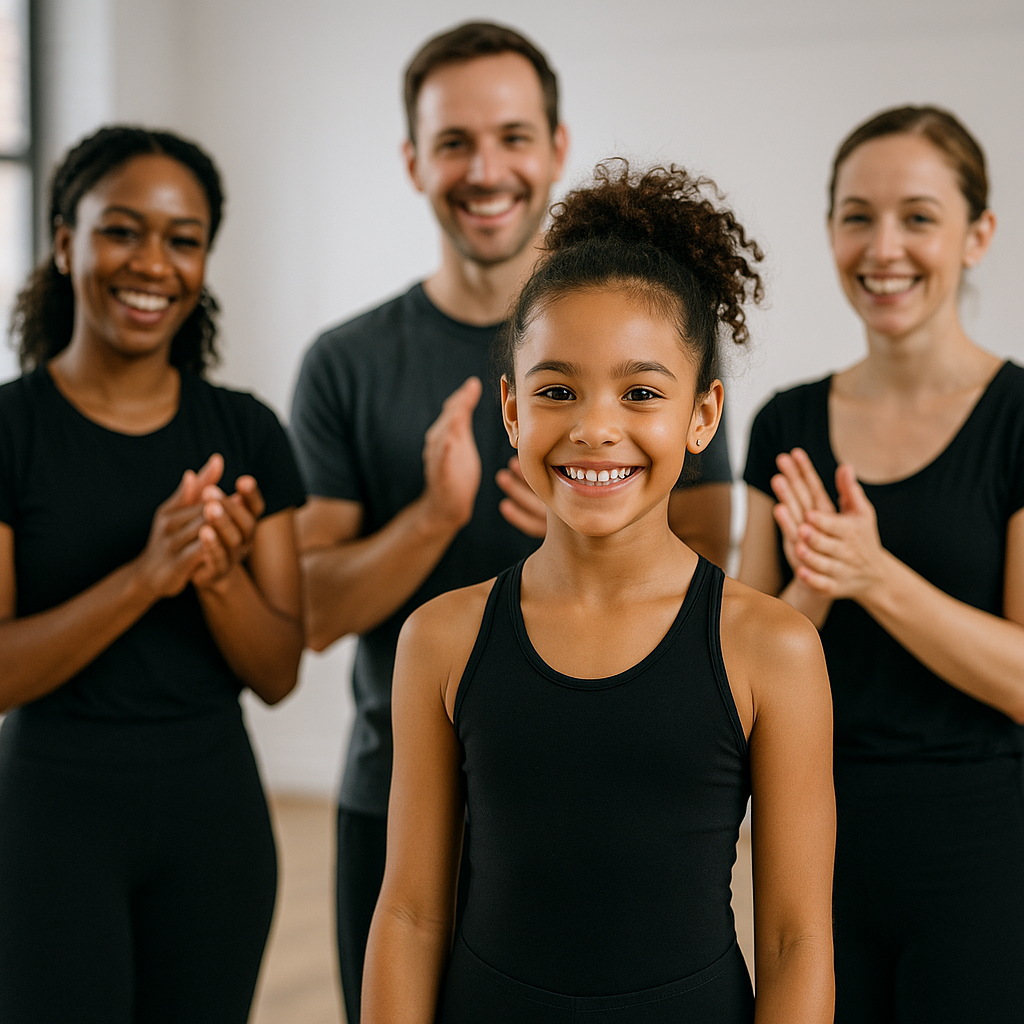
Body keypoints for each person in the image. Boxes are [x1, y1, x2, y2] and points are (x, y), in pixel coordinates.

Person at [289, 21, 735, 1022]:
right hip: (400, 790)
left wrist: (590, 517)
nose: (484, 168)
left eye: (511, 135)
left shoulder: (658, 332)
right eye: (453, 141)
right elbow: (305, 615)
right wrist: (431, 521)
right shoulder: (347, 362)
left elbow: (714, 570)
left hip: (620, 787)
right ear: (413, 161)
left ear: (557, 145)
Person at [361, 160, 835, 1024]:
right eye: (557, 390)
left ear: (703, 414)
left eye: (641, 391)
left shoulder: (774, 648)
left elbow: (797, 941)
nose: (594, 426)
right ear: (511, 411)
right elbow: (410, 913)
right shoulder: (441, 638)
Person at [0, 126, 306, 1024]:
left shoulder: (247, 433)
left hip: (214, 817)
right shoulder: (11, 432)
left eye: (183, 239)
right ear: (65, 243)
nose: (153, 263)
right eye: (121, 230)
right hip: (50, 819)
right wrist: (145, 574)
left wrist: (216, 578)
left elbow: (280, 672)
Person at [739, 106, 1024, 1023]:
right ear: (830, 232)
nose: (883, 246)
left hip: (983, 848)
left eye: (918, 216)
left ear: (977, 234)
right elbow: (734, 665)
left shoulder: (1017, 417)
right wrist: (814, 587)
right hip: (813, 838)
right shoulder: (783, 424)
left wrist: (874, 574)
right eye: (857, 215)